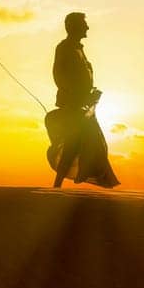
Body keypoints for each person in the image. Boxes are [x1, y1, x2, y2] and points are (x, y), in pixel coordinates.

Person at [46, 12, 119, 189]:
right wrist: (77, 96)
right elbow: (59, 76)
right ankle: (60, 183)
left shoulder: (78, 49)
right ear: (74, 27)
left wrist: (90, 94)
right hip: (73, 103)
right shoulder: (64, 48)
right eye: (83, 24)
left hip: (84, 103)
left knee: (82, 142)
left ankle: (64, 181)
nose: (87, 28)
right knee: (74, 142)